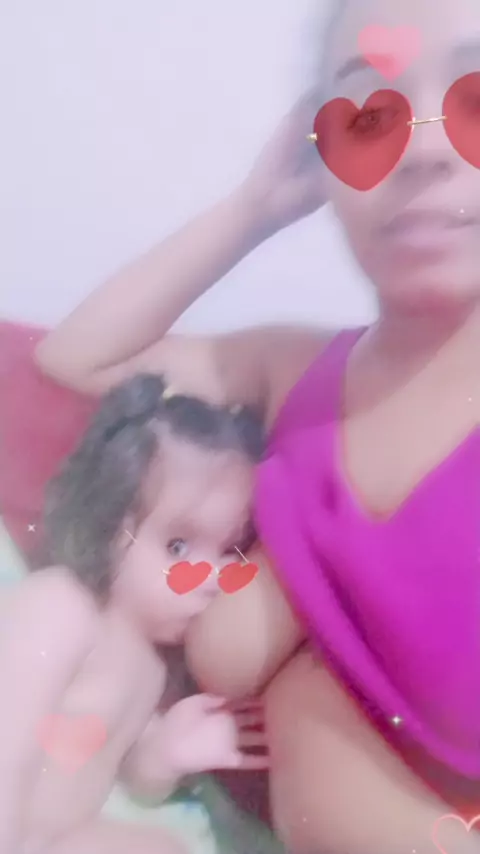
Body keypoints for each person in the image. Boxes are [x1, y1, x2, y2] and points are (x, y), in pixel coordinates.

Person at [36, 0, 480, 849]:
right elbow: (76, 357)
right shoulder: (289, 368)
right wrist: (253, 209)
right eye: (369, 118)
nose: (422, 149)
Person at [0, 374, 267, 854]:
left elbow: (132, 782)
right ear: (110, 525)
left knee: (163, 847)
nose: (211, 576)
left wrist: (165, 753)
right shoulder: (63, 606)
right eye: (178, 546)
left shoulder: (155, 664)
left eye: (230, 549)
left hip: (55, 839)